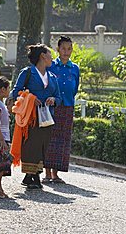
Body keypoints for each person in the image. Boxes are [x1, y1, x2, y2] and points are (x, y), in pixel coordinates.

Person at [10, 44, 61, 189]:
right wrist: (31, 98)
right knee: (31, 145)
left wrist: (54, 100)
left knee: (43, 145)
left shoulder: (52, 77)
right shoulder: (27, 73)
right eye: (49, 54)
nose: (51, 58)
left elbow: (59, 96)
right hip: (31, 116)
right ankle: (34, 175)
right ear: (43, 56)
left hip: (47, 116)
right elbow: (16, 92)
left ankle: (30, 175)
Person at [43, 36, 80, 184]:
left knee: (63, 140)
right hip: (51, 106)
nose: (66, 51)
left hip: (67, 107)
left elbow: (75, 88)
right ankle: (46, 173)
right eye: (63, 48)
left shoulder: (75, 69)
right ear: (58, 49)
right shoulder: (51, 66)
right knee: (49, 137)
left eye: (69, 48)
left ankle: (56, 173)